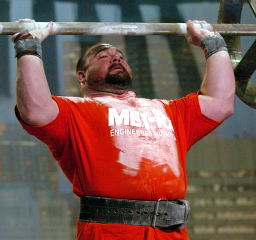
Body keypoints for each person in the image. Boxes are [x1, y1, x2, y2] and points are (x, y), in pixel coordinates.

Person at [13, 19, 235, 240]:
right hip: (110, 232)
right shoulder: (74, 112)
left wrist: (213, 43)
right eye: (102, 56)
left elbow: (219, 102)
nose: (115, 57)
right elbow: (35, 110)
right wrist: (28, 46)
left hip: (171, 233)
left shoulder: (169, 111)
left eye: (119, 55)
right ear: (81, 75)